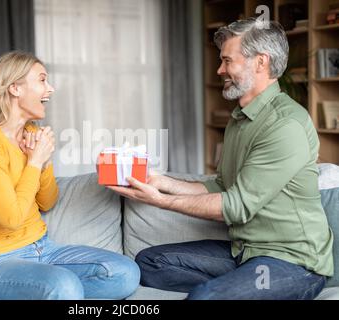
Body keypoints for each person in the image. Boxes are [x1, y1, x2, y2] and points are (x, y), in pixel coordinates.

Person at [108, 18, 334, 300]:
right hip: (244, 252)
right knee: (150, 263)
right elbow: (221, 185)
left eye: (227, 61)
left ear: (260, 62)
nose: (219, 70)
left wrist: (159, 200)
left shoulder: (285, 126)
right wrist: (159, 181)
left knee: (207, 297)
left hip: (292, 262)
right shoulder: (240, 119)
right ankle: (241, 285)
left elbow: (236, 206)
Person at [0, 51, 140, 300]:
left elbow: (48, 201)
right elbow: (10, 218)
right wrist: (34, 161)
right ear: (15, 88)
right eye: (42, 80)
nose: (50, 89)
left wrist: (42, 163)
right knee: (63, 286)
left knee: (125, 272)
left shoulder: (32, 132)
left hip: (44, 248)